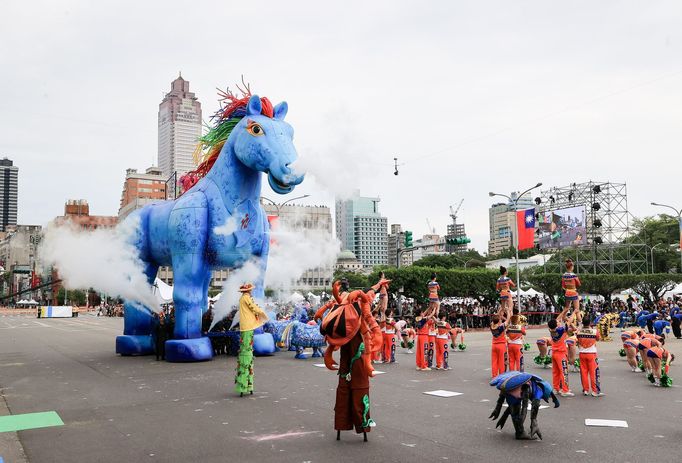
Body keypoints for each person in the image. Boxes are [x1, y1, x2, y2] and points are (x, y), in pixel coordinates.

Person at [489, 371, 560, 440]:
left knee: (515, 406)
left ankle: (519, 431)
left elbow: (504, 392)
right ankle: (520, 432)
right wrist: (534, 422)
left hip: (510, 390)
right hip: (518, 389)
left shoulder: (533, 383)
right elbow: (535, 405)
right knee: (519, 408)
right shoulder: (539, 390)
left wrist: (499, 409)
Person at [235, 283, 268, 397]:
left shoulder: (242, 298)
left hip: (245, 327)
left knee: (246, 349)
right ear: (248, 291)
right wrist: (263, 313)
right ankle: (246, 383)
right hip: (248, 327)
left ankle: (245, 384)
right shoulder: (247, 298)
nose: (252, 291)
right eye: (251, 290)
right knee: (247, 349)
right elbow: (254, 308)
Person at [547, 307, 576, 397]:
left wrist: (564, 311)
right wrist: (574, 312)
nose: (558, 322)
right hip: (561, 353)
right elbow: (569, 321)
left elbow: (557, 319)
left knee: (556, 372)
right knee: (564, 372)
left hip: (554, 353)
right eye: (558, 323)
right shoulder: (560, 330)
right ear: (556, 325)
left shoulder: (551, 329)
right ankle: (565, 390)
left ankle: (556, 388)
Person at [575, 311, 603, 396]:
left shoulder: (579, 332)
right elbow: (598, 339)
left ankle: (585, 390)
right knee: (593, 372)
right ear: (590, 322)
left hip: (582, 353)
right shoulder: (594, 331)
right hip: (591, 353)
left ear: (583, 323)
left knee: (583, 372)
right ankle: (594, 391)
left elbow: (577, 340)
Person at [490, 303, 510, 378]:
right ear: (499, 320)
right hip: (501, 345)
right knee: (501, 361)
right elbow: (508, 320)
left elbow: (496, 317)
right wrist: (507, 311)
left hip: (494, 345)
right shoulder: (501, 327)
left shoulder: (492, 325)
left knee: (494, 361)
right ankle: (501, 375)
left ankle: (494, 375)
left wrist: (501, 308)